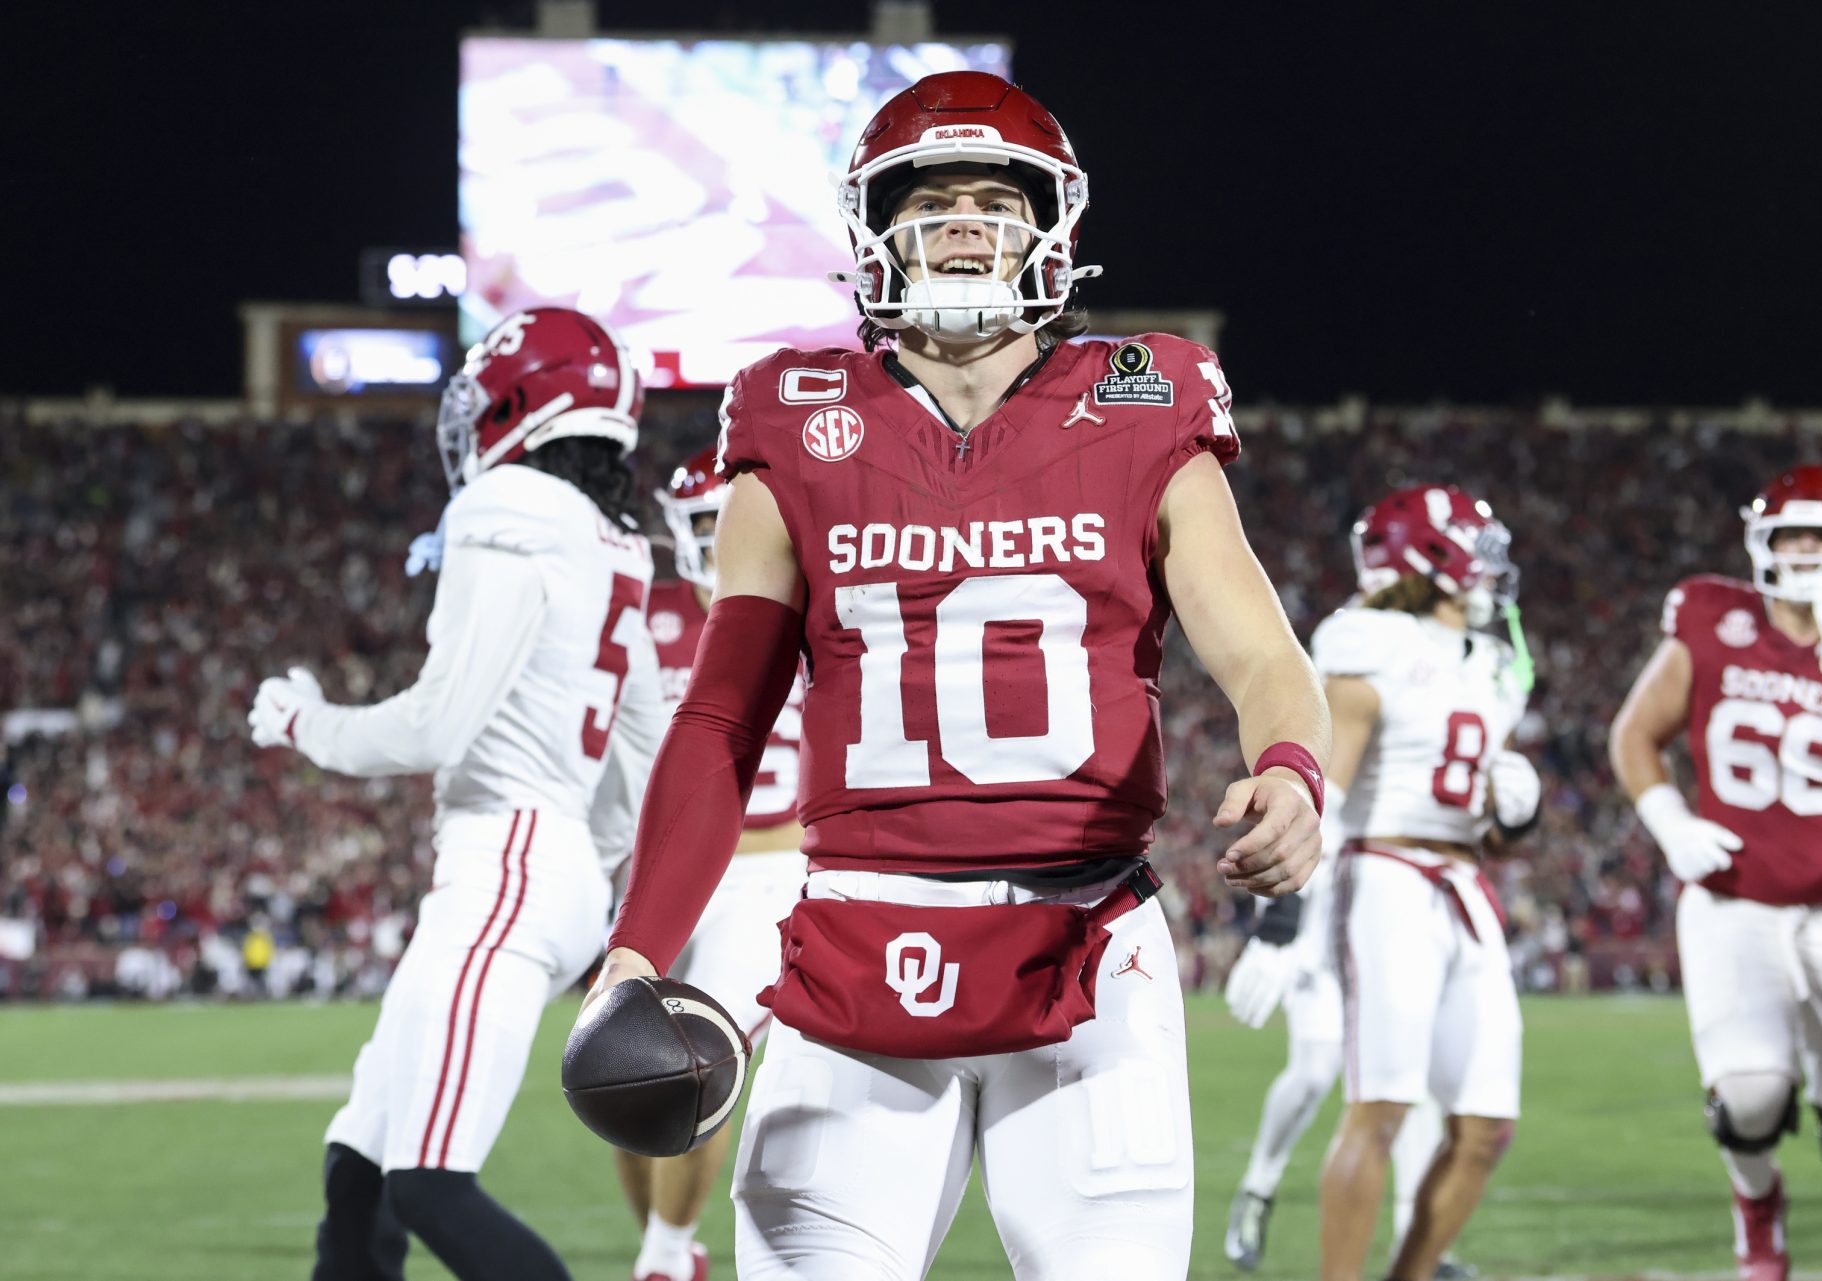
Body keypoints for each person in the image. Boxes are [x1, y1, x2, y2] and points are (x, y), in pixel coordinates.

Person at [589, 70, 1331, 1281]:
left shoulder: (1144, 400)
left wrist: (1292, 772)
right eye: (930, 201)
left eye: (997, 198)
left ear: (1053, 229)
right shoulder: (793, 413)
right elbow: (723, 715)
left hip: (1088, 946)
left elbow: (1259, 652)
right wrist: (637, 954)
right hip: (853, 947)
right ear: (875, 232)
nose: (966, 223)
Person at [250, 306, 666, 1281]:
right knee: (357, 1169)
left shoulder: (509, 505)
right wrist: (598, 887)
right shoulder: (612, 543)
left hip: (506, 859)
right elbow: (642, 759)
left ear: (523, 403)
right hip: (550, 865)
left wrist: (308, 718)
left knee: (428, 1183)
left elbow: (439, 725)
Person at [1610, 461, 1822, 1281]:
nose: (1810, 550)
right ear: (1762, 544)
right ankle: (1758, 1205)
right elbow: (1635, 735)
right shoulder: (1714, 619)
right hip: (1733, 903)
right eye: (1793, 534)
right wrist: (1669, 820)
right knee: (1748, 1100)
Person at [1303, 486, 1541, 1281]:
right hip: (1386, 880)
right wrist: (1287, 922)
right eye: (1475, 546)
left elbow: (1482, 823)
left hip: (1463, 884)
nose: (1489, 568)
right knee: (1381, 1108)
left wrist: (1513, 817)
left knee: (1485, 1126)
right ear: (1430, 557)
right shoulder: (1369, 640)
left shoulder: (1492, 661)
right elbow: (1326, 790)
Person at [610, 448, 808, 1281]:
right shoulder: (640, 619)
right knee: (619, 1072)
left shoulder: (810, 603)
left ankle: (660, 1257)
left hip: (770, 870)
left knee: (694, 1061)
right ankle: (669, 1246)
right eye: (700, 523)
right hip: (659, 874)